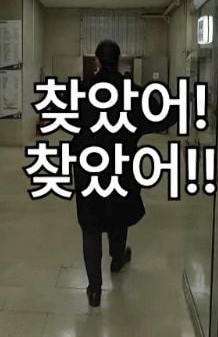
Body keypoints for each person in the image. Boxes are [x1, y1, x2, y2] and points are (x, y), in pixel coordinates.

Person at [70, 40, 178, 307]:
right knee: (118, 212)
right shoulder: (134, 93)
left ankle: (94, 290)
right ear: (118, 60)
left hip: (88, 166)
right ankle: (117, 259)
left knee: (91, 226)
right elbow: (166, 117)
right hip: (122, 164)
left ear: (97, 60)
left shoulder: (81, 91)